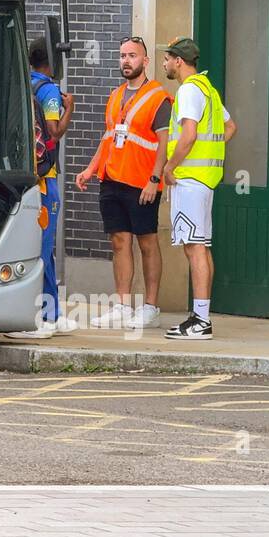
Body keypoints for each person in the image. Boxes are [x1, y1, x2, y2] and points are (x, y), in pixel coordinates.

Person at [74, 36, 171, 329]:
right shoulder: (115, 96)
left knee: (148, 243)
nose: (126, 61)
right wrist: (91, 169)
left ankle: (151, 306)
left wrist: (155, 179)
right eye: (122, 56)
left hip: (142, 182)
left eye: (132, 55)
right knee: (119, 243)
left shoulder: (158, 97)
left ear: (145, 61)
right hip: (112, 179)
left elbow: (164, 143)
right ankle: (122, 305)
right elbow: (108, 137)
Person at [160, 37, 237, 340]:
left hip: (190, 181)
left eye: (167, 59)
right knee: (201, 246)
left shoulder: (189, 90)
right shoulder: (210, 91)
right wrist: (210, 154)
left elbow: (189, 134)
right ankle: (199, 315)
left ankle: (201, 322)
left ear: (179, 61)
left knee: (194, 249)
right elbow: (230, 128)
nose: (165, 64)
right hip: (205, 180)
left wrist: (170, 166)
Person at [8, 37, 76, 338]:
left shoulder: (22, 84)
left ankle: (50, 314)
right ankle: (41, 317)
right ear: (51, 61)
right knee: (42, 249)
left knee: (41, 250)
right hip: (45, 181)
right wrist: (69, 109)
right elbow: (53, 131)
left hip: (27, 178)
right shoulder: (48, 90)